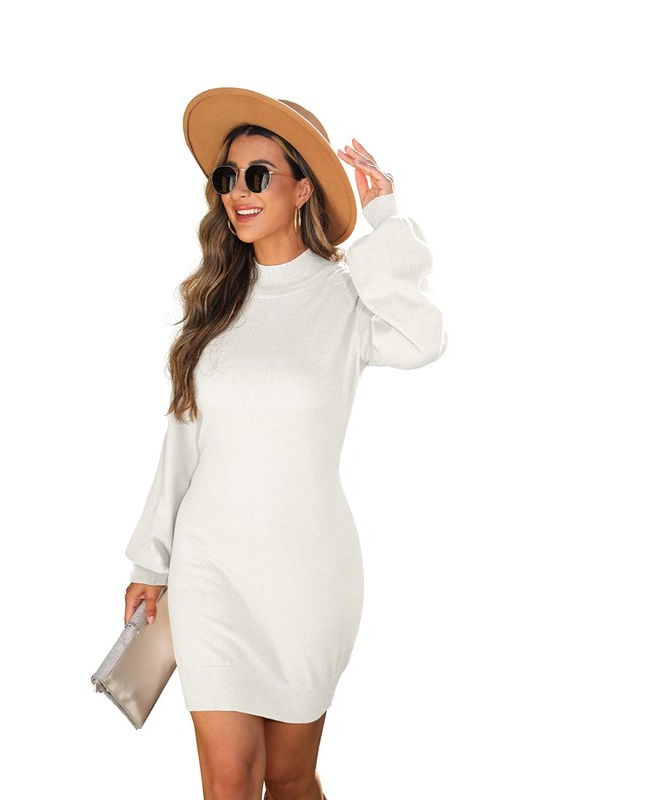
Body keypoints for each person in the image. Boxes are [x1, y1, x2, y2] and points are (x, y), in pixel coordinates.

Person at [122, 87, 448, 800]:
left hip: (307, 572)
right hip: (210, 571)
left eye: (258, 175)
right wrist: (151, 561)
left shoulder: (346, 298)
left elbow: (424, 340)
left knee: (290, 778)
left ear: (303, 188)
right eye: (228, 176)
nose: (238, 191)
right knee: (229, 782)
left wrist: (385, 216)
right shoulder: (214, 304)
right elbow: (182, 445)